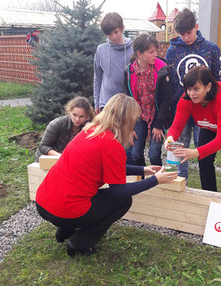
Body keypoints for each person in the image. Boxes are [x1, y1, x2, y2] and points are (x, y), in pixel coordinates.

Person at [36, 93, 177, 256]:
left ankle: (65, 230)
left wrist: (142, 170)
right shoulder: (112, 145)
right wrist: (154, 181)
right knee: (123, 201)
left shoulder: (89, 131)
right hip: (66, 211)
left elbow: (108, 167)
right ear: (127, 121)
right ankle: (79, 243)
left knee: (91, 196)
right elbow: (119, 192)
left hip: (43, 203)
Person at [165, 66, 221, 196]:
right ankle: (209, 196)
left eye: (196, 89)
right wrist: (170, 139)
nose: (192, 94)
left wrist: (195, 151)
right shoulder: (187, 99)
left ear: (208, 87)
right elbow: (176, 126)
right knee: (204, 158)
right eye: (189, 89)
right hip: (211, 122)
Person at [165, 8, 221, 179]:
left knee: (202, 149)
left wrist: (215, 108)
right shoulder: (172, 51)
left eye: (189, 32)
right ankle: (180, 181)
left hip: (205, 110)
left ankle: (206, 185)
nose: (186, 37)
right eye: (182, 34)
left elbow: (218, 82)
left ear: (196, 27)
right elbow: (170, 82)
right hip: (181, 108)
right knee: (178, 148)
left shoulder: (211, 49)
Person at [124, 34, 173, 166]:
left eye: (155, 51)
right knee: (135, 154)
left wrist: (158, 125)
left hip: (158, 116)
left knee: (154, 154)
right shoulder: (129, 72)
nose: (155, 54)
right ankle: (143, 181)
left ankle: (158, 180)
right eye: (151, 52)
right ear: (139, 54)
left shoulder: (162, 70)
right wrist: (130, 126)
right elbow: (129, 101)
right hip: (140, 116)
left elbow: (166, 100)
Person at [93, 12, 133, 114]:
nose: (113, 36)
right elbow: (97, 77)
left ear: (122, 28)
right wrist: (97, 103)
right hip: (106, 103)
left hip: (127, 103)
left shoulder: (133, 48)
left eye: (116, 32)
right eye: (109, 34)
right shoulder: (101, 50)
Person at [34, 96, 95, 162]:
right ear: (70, 112)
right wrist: (60, 156)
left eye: (81, 116)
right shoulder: (57, 123)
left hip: (69, 161)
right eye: (74, 115)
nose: (77, 119)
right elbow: (43, 146)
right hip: (48, 160)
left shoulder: (88, 127)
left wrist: (87, 128)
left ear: (87, 117)